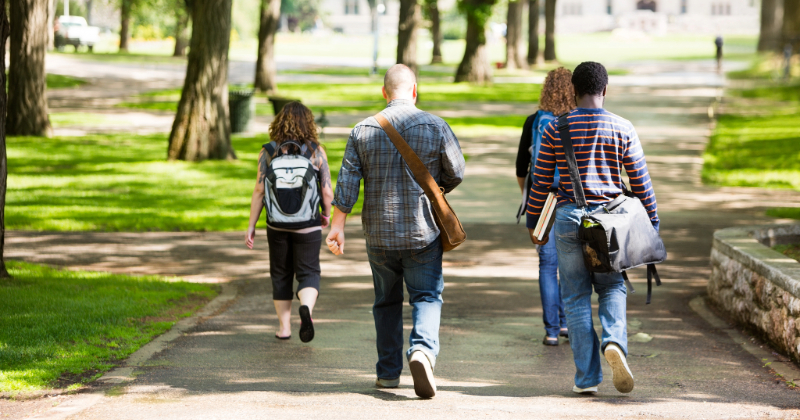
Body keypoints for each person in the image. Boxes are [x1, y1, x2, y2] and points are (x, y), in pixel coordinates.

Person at [325, 64, 465, 399]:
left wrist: (337, 226)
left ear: (384, 92)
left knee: (386, 302)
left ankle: (388, 374)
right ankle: (422, 351)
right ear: (414, 90)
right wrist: (435, 188)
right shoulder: (435, 125)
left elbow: (347, 183)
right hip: (423, 231)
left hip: (379, 234)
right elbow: (456, 171)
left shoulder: (362, 130)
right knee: (427, 296)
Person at [526, 62, 659, 395]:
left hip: (569, 219)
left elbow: (540, 182)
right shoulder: (623, 127)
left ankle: (587, 378)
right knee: (612, 286)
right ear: (605, 89)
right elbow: (642, 184)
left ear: (573, 90)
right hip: (610, 223)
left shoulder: (556, 128)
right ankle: (614, 341)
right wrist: (652, 223)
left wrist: (534, 223)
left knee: (574, 297)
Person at [245, 102, 334, 343]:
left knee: (281, 273)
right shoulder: (316, 151)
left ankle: (284, 328)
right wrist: (326, 215)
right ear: (309, 123)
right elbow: (327, 192)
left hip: (277, 224)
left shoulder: (268, 151)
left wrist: (251, 225)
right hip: (308, 223)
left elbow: (259, 191)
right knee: (309, 271)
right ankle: (306, 308)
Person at [515, 68, 576, 347]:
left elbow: (520, 167)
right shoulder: (579, 120)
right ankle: (566, 324)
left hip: (543, 201)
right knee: (571, 265)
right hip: (573, 200)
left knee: (547, 264)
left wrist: (529, 198)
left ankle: (551, 330)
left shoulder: (533, 121)